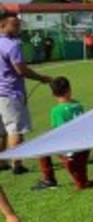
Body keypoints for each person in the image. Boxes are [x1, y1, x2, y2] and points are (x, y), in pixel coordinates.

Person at [0, 10, 52, 175]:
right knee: (16, 130)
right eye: (14, 25)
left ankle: (1, 162)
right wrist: (41, 77)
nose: (18, 28)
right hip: (10, 93)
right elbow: (21, 70)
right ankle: (17, 164)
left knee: (2, 131)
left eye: (19, 25)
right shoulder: (12, 45)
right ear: (2, 25)